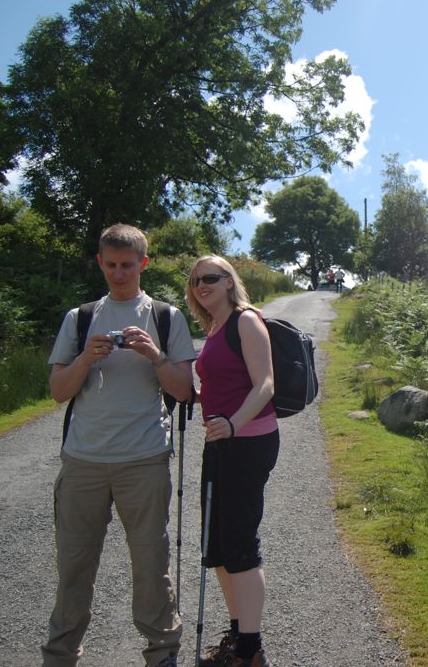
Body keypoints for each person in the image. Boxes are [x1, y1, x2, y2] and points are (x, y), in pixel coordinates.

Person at [44, 224, 195, 667]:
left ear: (143, 264)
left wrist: (155, 355)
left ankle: (161, 651)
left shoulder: (166, 318)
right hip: (83, 460)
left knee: (151, 562)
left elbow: (184, 391)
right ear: (100, 263)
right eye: (110, 265)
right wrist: (85, 360)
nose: (118, 273)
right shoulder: (81, 317)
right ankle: (61, 653)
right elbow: (57, 390)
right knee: (74, 564)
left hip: (143, 459)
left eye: (127, 265)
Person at [186, 254, 279, 667]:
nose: (200, 285)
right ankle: (238, 635)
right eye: (194, 282)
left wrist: (234, 424)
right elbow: (221, 385)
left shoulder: (245, 320)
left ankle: (250, 651)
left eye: (209, 278)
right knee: (219, 547)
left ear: (228, 281)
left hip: (248, 441)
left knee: (240, 545)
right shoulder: (214, 328)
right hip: (220, 442)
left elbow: (266, 385)